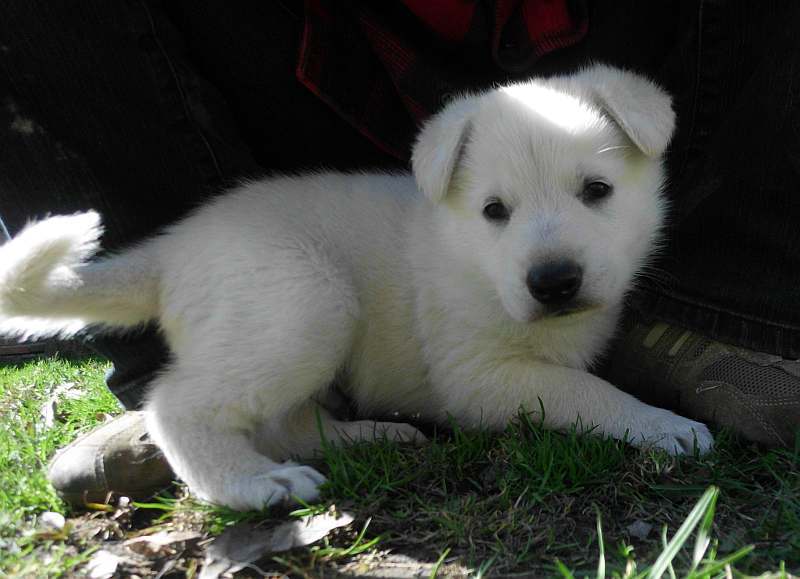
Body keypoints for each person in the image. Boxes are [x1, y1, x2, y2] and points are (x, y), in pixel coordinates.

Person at [2, 0, 798, 507]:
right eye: (496, 211)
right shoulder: (445, 261)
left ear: (644, 159)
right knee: (312, 314)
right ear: (450, 197)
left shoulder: (612, 119)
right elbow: (483, 383)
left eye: (593, 191)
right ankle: (196, 425)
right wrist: (634, 421)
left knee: (313, 331)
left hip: (271, 238)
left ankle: (302, 427)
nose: (548, 254)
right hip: (279, 250)